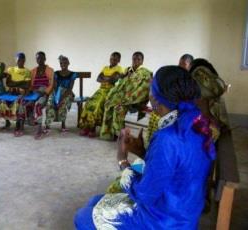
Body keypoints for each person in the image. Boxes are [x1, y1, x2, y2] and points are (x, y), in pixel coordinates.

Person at [74, 66, 215, 230]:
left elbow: (144, 194)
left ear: (156, 100)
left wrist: (122, 159)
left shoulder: (167, 138)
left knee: (82, 217)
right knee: (94, 201)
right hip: (183, 214)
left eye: (151, 89)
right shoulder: (197, 125)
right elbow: (174, 169)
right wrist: (142, 151)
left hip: (163, 221)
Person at [99, 52, 152, 140]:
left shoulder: (146, 72)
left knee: (118, 108)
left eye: (139, 59)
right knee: (108, 104)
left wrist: (128, 99)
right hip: (122, 96)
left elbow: (144, 89)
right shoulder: (127, 70)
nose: (136, 61)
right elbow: (121, 84)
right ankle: (108, 133)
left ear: (142, 61)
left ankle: (120, 135)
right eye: (134, 59)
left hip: (135, 99)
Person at [79, 52, 124, 137]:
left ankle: (93, 128)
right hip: (100, 90)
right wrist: (108, 78)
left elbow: (113, 80)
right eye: (111, 58)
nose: (112, 60)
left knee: (97, 105)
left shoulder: (119, 68)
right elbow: (98, 78)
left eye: (115, 59)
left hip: (110, 91)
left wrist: (104, 77)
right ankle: (86, 127)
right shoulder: (105, 67)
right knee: (88, 103)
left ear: (118, 60)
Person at [44, 55, 77, 134]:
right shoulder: (56, 73)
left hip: (67, 93)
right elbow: (54, 86)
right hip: (56, 92)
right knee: (50, 103)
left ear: (68, 63)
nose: (63, 64)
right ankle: (47, 125)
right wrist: (55, 97)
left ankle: (63, 125)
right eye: (61, 63)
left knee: (62, 104)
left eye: (65, 63)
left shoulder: (73, 74)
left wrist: (61, 98)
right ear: (60, 64)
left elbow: (70, 89)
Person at [6, 52, 32, 137]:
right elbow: (8, 83)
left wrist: (15, 83)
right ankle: (7, 122)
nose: (20, 61)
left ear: (24, 60)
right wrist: (21, 82)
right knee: (0, 101)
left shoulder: (27, 71)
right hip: (11, 93)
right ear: (16, 60)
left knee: (21, 102)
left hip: (22, 93)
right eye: (18, 60)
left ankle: (20, 124)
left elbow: (27, 85)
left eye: (22, 60)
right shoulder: (11, 69)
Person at [31, 51, 54, 139]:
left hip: (45, 93)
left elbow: (51, 85)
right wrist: (34, 91)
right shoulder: (33, 71)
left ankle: (39, 128)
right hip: (35, 93)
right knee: (23, 102)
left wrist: (45, 93)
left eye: (41, 58)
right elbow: (31, 85)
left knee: (38, 105)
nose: (39, 59)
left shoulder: (50, 70)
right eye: (37, 58)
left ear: (45, 59)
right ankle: (21, 125)